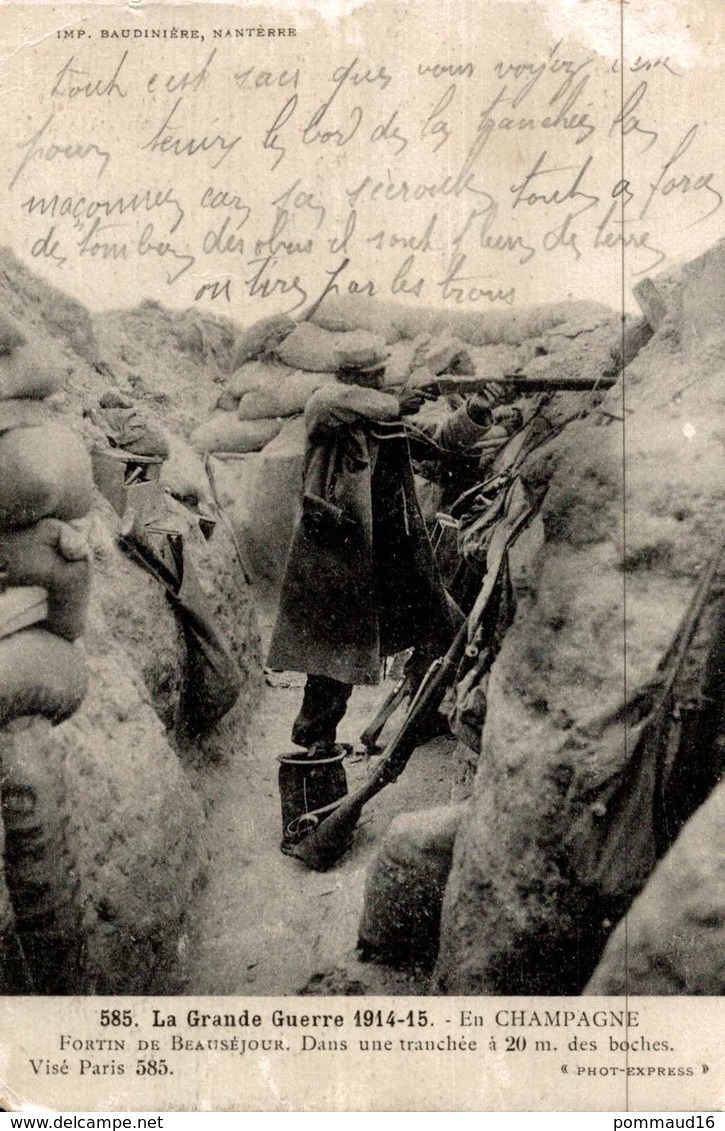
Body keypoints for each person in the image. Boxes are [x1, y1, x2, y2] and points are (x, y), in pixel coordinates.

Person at [266, 343, 513, 756]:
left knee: (446, 628)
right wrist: (398, 401)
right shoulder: (329, 413)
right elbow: (330, 401)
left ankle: (423, 711)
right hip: (343, 561)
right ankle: (315, 747)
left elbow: (440, 444)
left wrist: (476, 412)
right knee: (334, 665)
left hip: (393, 559)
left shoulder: (386, 423)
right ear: (357, 381)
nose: (381, 382)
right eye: (375, 377)